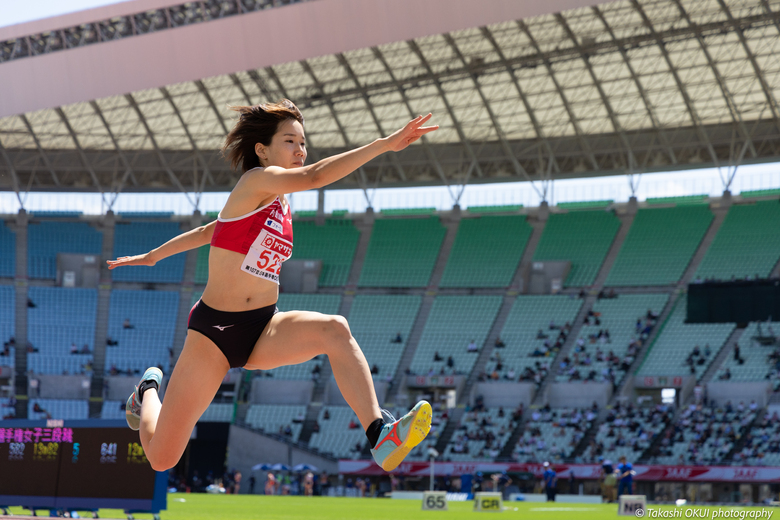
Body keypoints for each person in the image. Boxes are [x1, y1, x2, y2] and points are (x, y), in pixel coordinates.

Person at [106, 100, 437, 473]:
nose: (300, 150)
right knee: (162, 459)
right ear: (262, 150)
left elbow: (207, 232)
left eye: (303, 142)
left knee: (335, 330)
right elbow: (313, 177)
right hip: (213, 334)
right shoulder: (255, 182)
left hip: (264, 326)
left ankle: (380, 433)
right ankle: (147, 392)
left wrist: (154, 255)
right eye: (289, 141)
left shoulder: (279, 205)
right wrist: (383, 144)